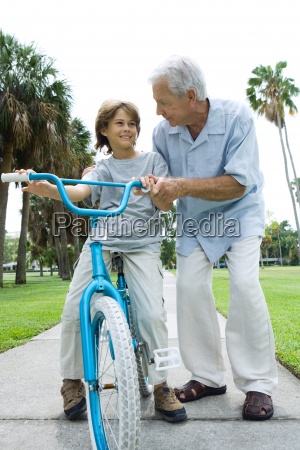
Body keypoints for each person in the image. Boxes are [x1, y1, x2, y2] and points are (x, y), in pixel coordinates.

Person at [17, 99, 187, 424]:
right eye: (119, 123)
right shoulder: (101, 168)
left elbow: (166, 206)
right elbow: (80, 192)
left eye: (132, 123)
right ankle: (71, 381)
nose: (127, 129)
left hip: (142, 246)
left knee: (152, 314)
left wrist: (155, 192)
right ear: (105, 130)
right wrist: (44, 187)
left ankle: (163, 385)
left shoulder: (154, 161)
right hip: (103, 242)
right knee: (74, 309)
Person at [143, 55, 278, 420]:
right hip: (194, 221)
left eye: (163, 102)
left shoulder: (237, 118)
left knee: (246, 286)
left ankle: (258, 384)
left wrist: (180, 186)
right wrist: (157, 192)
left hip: (240, 214)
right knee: (188, 287)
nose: (158, 111)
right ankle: (207, 377)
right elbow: (160, 186)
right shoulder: (162, 134)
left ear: (190, 96)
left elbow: (238, 183)